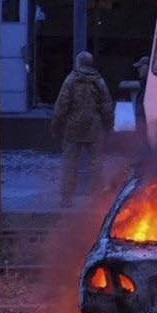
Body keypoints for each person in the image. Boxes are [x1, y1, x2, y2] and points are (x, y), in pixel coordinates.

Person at [51, 51, 114, 207]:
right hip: (94, 130)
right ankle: (97, 199)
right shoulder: (99, 82)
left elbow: (61, 106)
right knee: (96, 165)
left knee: (70, 164)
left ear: (78, 63)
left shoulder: (70, 81)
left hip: (72, 130)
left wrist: (56, 127)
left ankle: (66, 199)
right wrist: (109, 127)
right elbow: (107, 107)